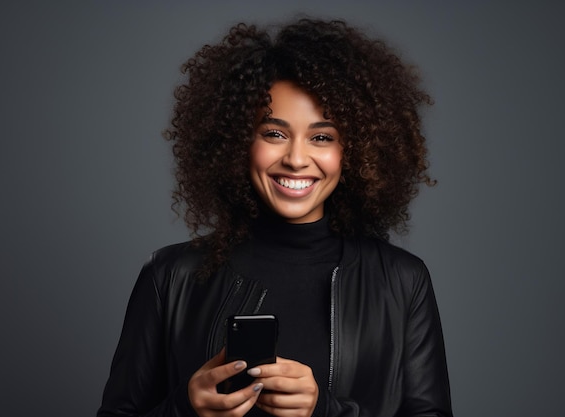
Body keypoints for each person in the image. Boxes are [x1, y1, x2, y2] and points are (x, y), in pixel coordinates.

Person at [98, 18, 453, 417]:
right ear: (236, 141)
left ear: (355, 152)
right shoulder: (171, 276)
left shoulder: (403, 282)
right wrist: (183, 408)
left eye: (322, 137)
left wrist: (325, 411)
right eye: (274, 133)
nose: (297, 159)